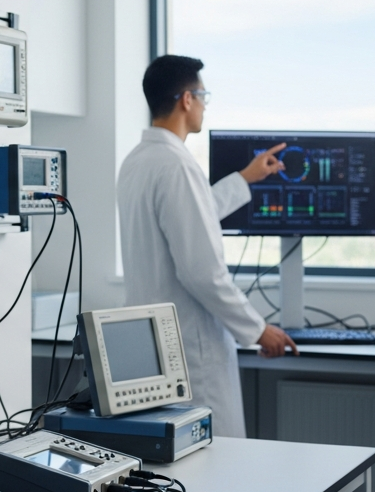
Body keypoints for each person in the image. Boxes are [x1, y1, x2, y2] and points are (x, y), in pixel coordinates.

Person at [117, 55, 298, 438]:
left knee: (168, 476)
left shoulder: (137, 162)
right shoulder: (177, 165)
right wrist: (257, 329)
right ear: (186, 99)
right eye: (203, 96)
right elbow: (202, 272)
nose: (203, 106)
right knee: (212, 467)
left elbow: (189, 220)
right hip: (190, 352)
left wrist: (246, 178)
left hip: (152, 348)